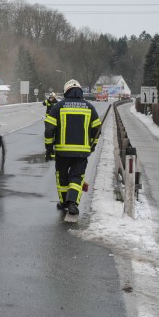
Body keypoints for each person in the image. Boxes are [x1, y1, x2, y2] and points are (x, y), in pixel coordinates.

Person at [44, 79, 101, 215]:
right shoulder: (89, 107)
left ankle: (64, 201)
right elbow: (97, 128)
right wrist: (92, 145)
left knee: (62, 177)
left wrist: (49, 147)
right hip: (82, 152)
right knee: (77, 177)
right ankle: (73, 203)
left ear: (65, 91)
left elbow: (49, 129)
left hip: (62, 152)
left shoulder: (58, 107)